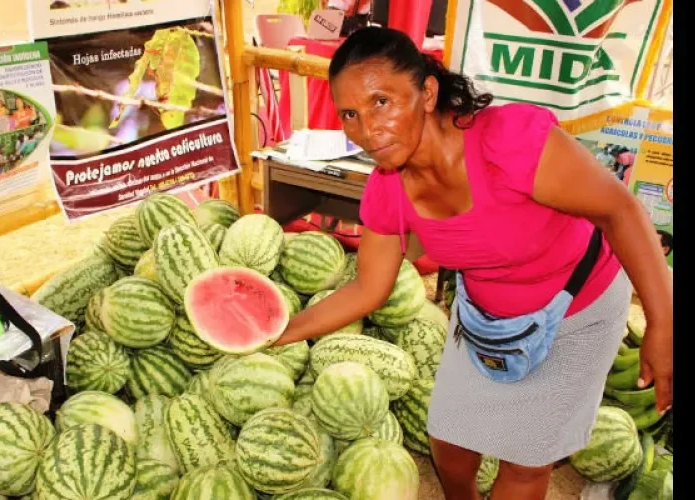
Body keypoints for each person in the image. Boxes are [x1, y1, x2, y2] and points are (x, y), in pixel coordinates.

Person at [271, 27, 673, 499]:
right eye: (350, 114)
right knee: (449, 439)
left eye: (382, 102)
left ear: (427, 93)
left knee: (523, 463)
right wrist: (279, 333)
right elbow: (367, 290)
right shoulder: (388, 188)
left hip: (577, 312)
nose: (367, 129)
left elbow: (620, 210)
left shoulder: (510, 144)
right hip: (485, 316)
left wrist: (663, 325)